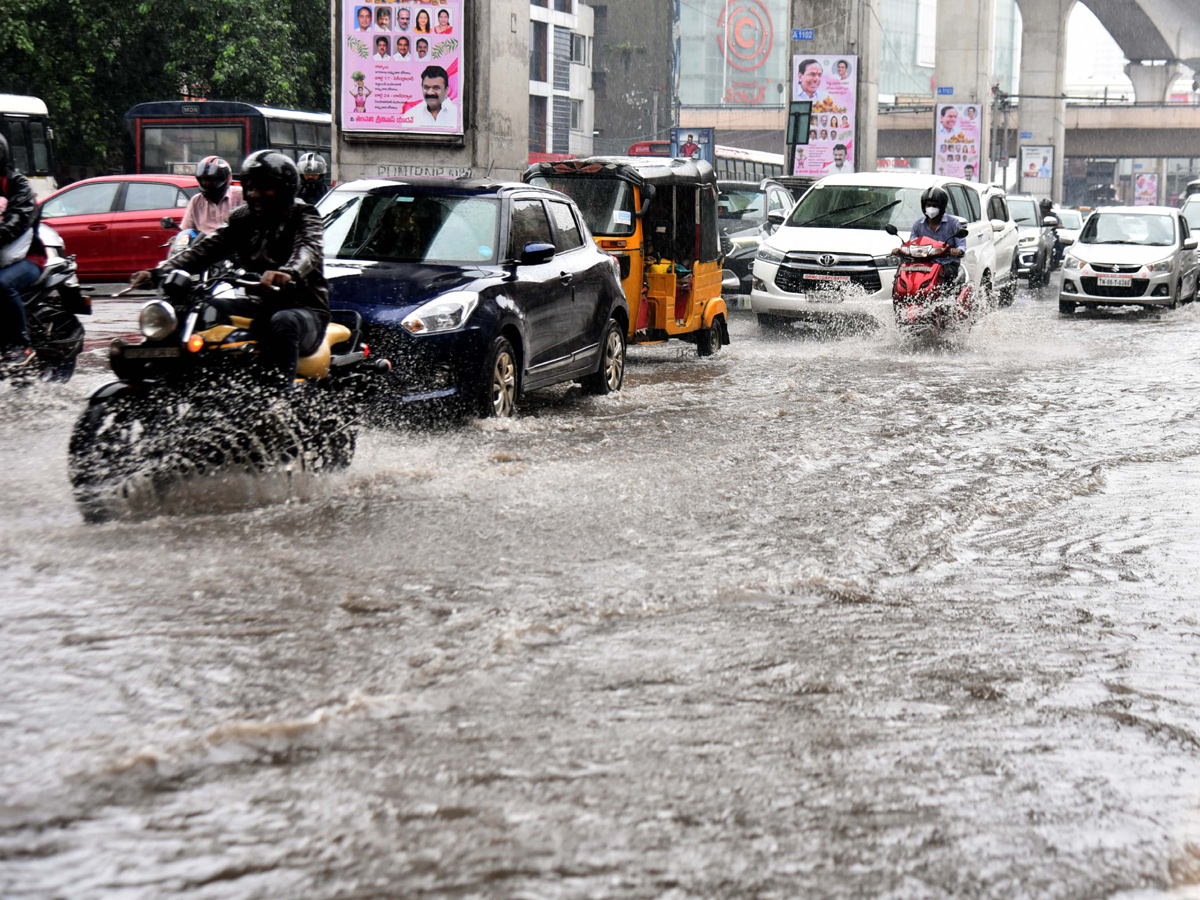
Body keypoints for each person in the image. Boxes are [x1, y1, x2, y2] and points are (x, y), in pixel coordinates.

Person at [130, 151, 329, 388]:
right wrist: (159, 271)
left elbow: (308, 249)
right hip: (260, 306)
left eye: (264, 188)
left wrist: (289, 272)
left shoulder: (304, 215)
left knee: (283, 321)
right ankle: (201, 382)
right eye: (251, 187)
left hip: (304, 310)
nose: (254, 194)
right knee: (205, 309)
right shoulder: (242, 219)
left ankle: (279, 400)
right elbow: (205, 249)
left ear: (284, 188)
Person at [0, 135, 43, 365]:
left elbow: (17, 220)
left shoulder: (19, 185)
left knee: (2, 283)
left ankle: (21, 345)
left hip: (29, 259)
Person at [911, 185, 965, 287]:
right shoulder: (918, 225)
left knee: (944, 275)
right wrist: (900, 250)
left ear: (942, 207)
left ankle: (943, 299)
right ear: (924, 206)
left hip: (947, 264)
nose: (931, 209)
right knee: (903, 271)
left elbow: (961, 245)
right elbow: (912, 243)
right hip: (923, 265)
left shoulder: (953, 223)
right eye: (928, 205)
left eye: (935, 206)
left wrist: (958, 251)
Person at [179, 156, 244, 235]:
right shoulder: (196, 201)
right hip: (204, 245)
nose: (207, 183)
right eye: (204, 180)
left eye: (212, 180)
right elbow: (185, 230)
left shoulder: (241, 195)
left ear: (226, 178)